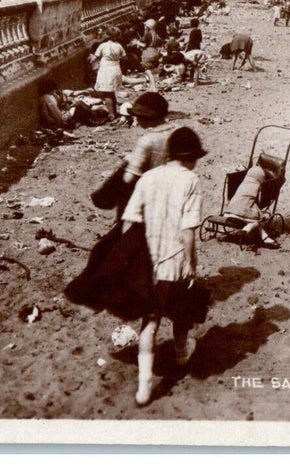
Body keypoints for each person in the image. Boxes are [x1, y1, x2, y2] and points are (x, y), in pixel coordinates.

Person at [120, 127, 207, 406]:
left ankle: (144, 386)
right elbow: (188, 229)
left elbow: (129, 221)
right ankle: (182, 353)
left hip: (149, 262)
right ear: (191, 158)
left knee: (150, 321)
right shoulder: (190, 180)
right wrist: (192, 265)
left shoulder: (147, 177)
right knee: (181, 312)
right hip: (175, 260)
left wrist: (129, 257)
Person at [222, 153, 284, 248]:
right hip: (241, 214)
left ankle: (265, 238)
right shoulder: (259, 187)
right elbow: (263, 201)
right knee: (258, 221)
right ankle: (249, 230)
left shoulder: (244, 182)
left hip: (228, 211)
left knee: (252, 213)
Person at [90, 26, 126, 119]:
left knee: (106, 93)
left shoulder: (102, 46)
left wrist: (90, 58)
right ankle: (114, 111)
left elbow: (95, 58)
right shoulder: (119, 46)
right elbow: (125, 57)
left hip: (106, 70)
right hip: (116, 68)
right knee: (112, 92)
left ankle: (111, 114)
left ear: (107, 35)